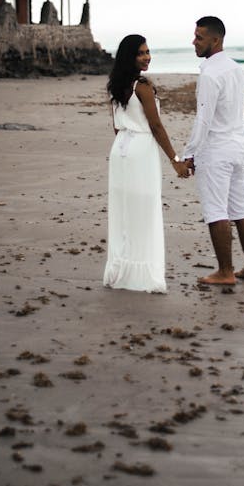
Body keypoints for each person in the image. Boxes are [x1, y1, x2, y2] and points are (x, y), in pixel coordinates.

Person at [104, 34, 189, 293]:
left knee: (124, 212)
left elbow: (117, 126)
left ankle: (121, 270)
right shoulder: (142, 86)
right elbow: (155, 126)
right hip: (140, 150)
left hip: (120, 151)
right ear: (130, 57)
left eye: (148, 51)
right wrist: (175, 160)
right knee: (144, 210)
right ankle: (141, 275)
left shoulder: (117, 84)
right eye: (141, 52)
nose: (147, 56)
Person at [183, 16, 244, 286]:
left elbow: (204, 119)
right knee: (242, 207)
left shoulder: (211, 73)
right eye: (194, 36)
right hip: (240, 144)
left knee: (216, 210)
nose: (194, 41)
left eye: (199, 37)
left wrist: (188, 154)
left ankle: (225, 272)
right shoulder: (236, 69)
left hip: (217, 148)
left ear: (216, 40)